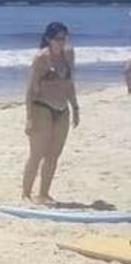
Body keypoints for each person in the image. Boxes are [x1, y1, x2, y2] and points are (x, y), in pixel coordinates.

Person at [22, 21, 79, 204]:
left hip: (62, 109)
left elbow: (69, 84)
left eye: (64, 38)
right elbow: (30, 90)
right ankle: (26, 194)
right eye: (58, 38)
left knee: (53, 155)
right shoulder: (41, 58)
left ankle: (43, 193)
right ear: (48, 39)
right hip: (42, 108)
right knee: (37, 154)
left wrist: (75, 107)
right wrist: (29, 118)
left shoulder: (69, 54)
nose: (62, 42)